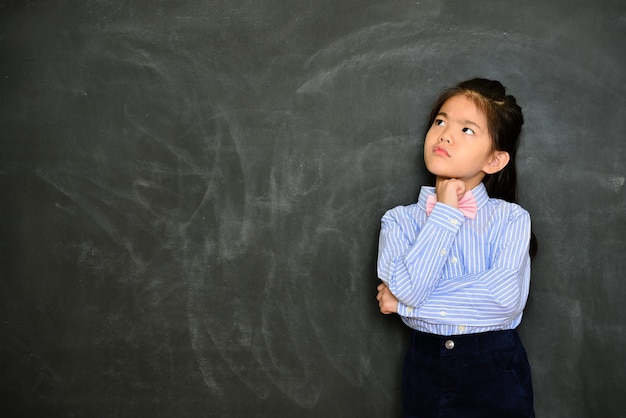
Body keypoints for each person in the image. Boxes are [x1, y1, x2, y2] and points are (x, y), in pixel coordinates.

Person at [376, 78, 536, 417]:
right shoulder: (397, 221)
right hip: (425, 371)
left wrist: (404, 306)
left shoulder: (511, 219)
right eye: (440, 121)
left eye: (467, 130)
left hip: (496, 374)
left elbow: (504, 300)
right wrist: (445, 213)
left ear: (494, 161)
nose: (445, 134)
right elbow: (408, 287)